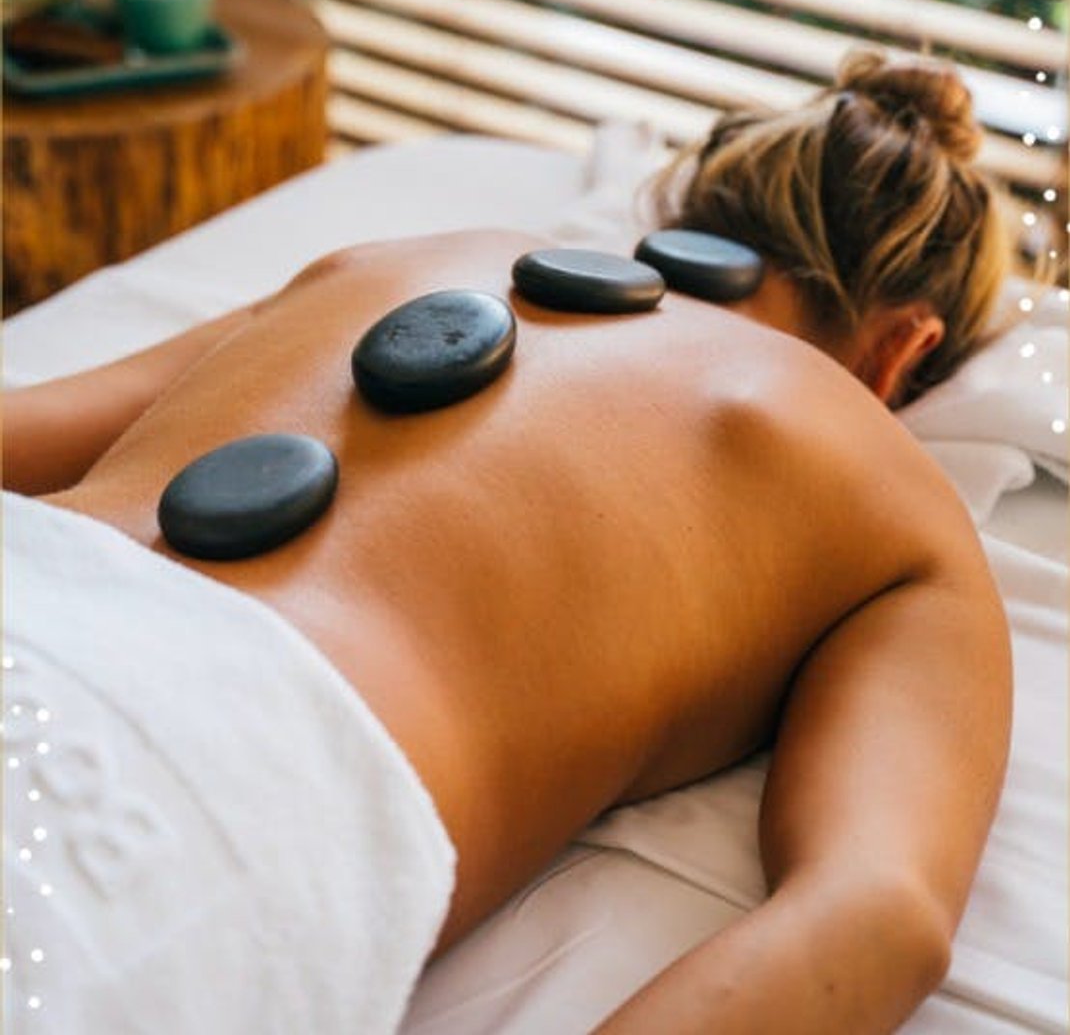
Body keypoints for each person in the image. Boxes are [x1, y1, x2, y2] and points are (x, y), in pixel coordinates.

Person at [4, 50, 1012, 1032]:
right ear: (904, 350)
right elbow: (874, 916)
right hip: (194, 795)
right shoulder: (891, 496)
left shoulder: (388, 263)